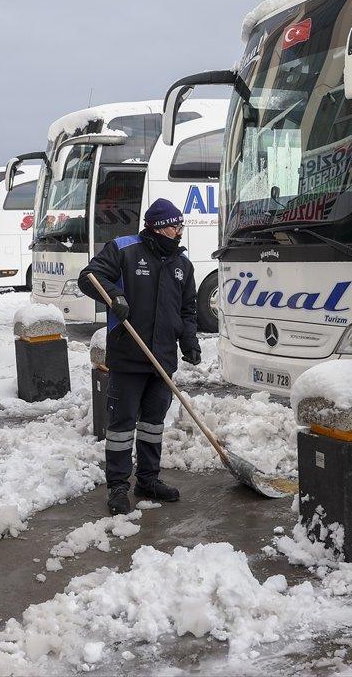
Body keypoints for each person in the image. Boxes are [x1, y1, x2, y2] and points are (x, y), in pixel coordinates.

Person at [78, 198, 201, 516]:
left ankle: (148, 480)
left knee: (152, 424)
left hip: (162, 359)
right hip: (129, 355)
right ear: (160, 227)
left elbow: (187, 309)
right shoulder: (124, 249)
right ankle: (118, 487)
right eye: (175, 226)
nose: (179, 232)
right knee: (120, 427)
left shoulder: (182, 265)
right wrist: (115, 295)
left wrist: (189, 341)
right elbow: (90, 276)